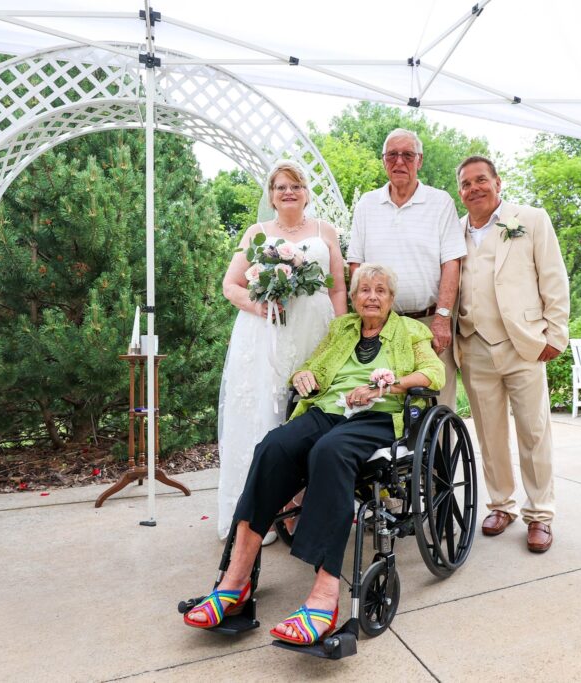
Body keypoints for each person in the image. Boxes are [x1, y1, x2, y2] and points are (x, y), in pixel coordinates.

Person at [183, 264, 444, 645]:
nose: (371, 296)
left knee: (329, 452)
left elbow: (433, 373)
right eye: (364, 290)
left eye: (380, 291)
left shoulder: (411, 331)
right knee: (273, 447)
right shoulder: (341, 329)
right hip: (327, 409)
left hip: (377, 416)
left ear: (391, 299)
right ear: (353, 298)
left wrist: (389, 385)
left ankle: (325, 593)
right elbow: (315, 367)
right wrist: (305, 377)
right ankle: (235, 581)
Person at [216, 160, 348, 541]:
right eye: (280, 187)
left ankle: (303, 505)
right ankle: (262, 512)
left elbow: (338, 287)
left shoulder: (327, 232)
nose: (288, 192)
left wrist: (340, 334)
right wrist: (261, 306)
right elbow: (231, 285)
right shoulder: (257, 233)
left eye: (296, 186)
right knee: (268, 413)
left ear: (306, 193)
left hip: (316, 331)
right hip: (266, 336)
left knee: (309, 413)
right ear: (271, 196)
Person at [452, 155, 569, 553]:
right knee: (489, 434)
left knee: (534, 431)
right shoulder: (454, 232)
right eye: (466, 184)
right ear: (461, 192)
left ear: (497, 183)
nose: (474, 188)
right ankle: (501, 504)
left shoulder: (530, 219)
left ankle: (540, 514)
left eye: (481, 180)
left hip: (524, 343)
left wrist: (556, 332)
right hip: (474, 345)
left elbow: (553, 277)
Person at [346, 128, 465, 409]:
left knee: (436, 402)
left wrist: (443, 318)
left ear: (420, 161)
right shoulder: (367, 204)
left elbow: (452, 263)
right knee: (384, 402)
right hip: (381, 325)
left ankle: (441, 455)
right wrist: (366, 317)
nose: (400, 162)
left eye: (408, 155)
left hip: (428, 323)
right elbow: (356, 264)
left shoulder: (440, 202)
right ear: (383, 160)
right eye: (392, 155)